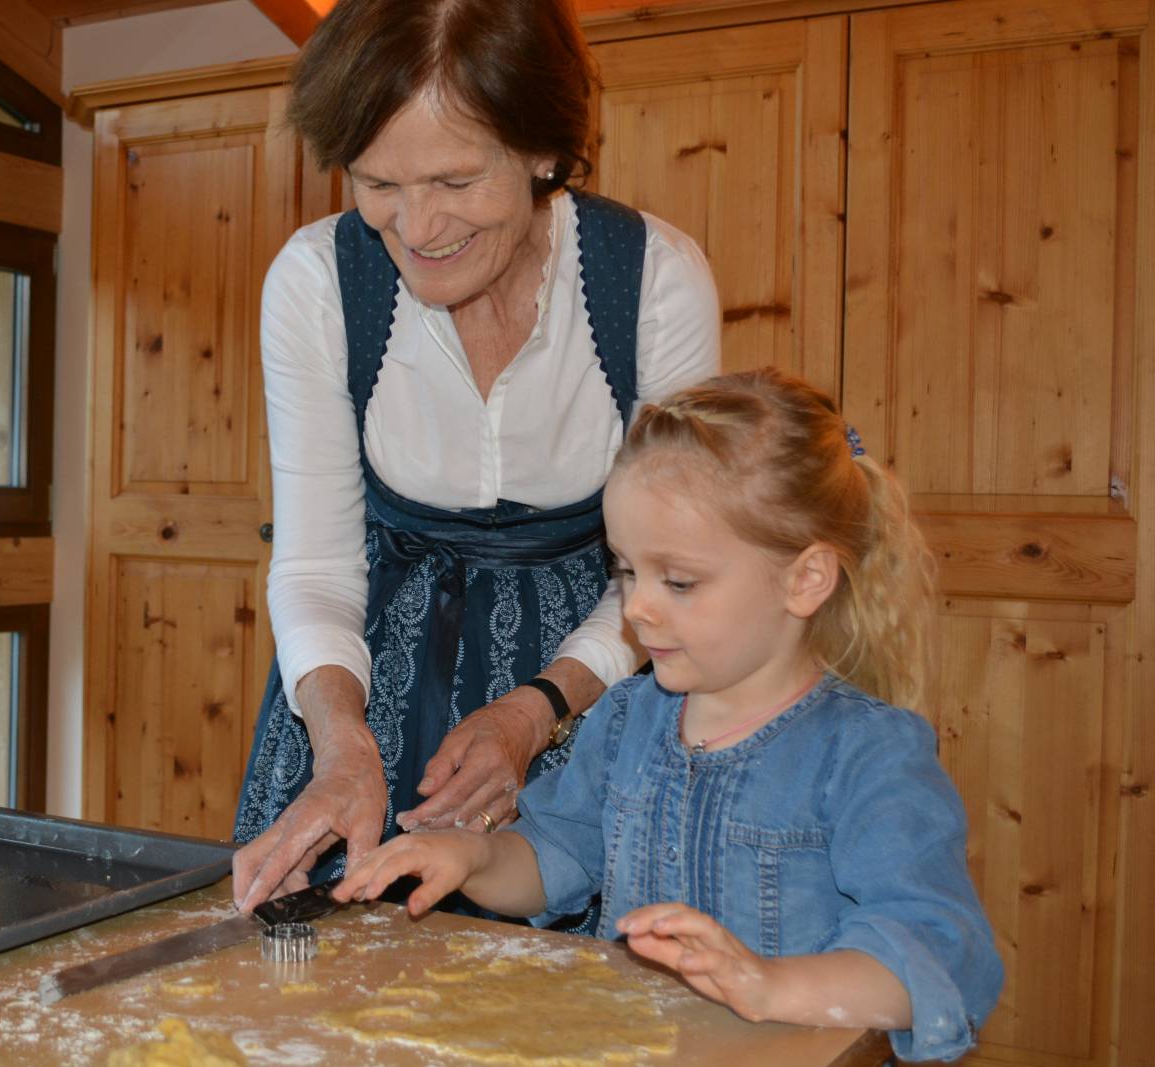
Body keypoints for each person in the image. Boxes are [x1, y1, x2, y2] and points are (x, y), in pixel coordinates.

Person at [332, 369, 1005, 1063]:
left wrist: (766, 985)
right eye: (625, 571)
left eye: (678, 581)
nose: (638, 607)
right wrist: (471, 855)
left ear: (805, 579)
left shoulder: (867, 753)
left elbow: (943, 956)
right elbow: (554, 856)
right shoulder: (629, 719)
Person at [231, 0, 722, 914]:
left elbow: (672, 570)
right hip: (363, 680)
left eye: (455, 180)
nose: (416, 227)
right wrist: (341, 744)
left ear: (543, 149)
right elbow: (315, 562)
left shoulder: (653, 281)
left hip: (596, 676)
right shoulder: (315, 283)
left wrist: (536, 709)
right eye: (377, 182)